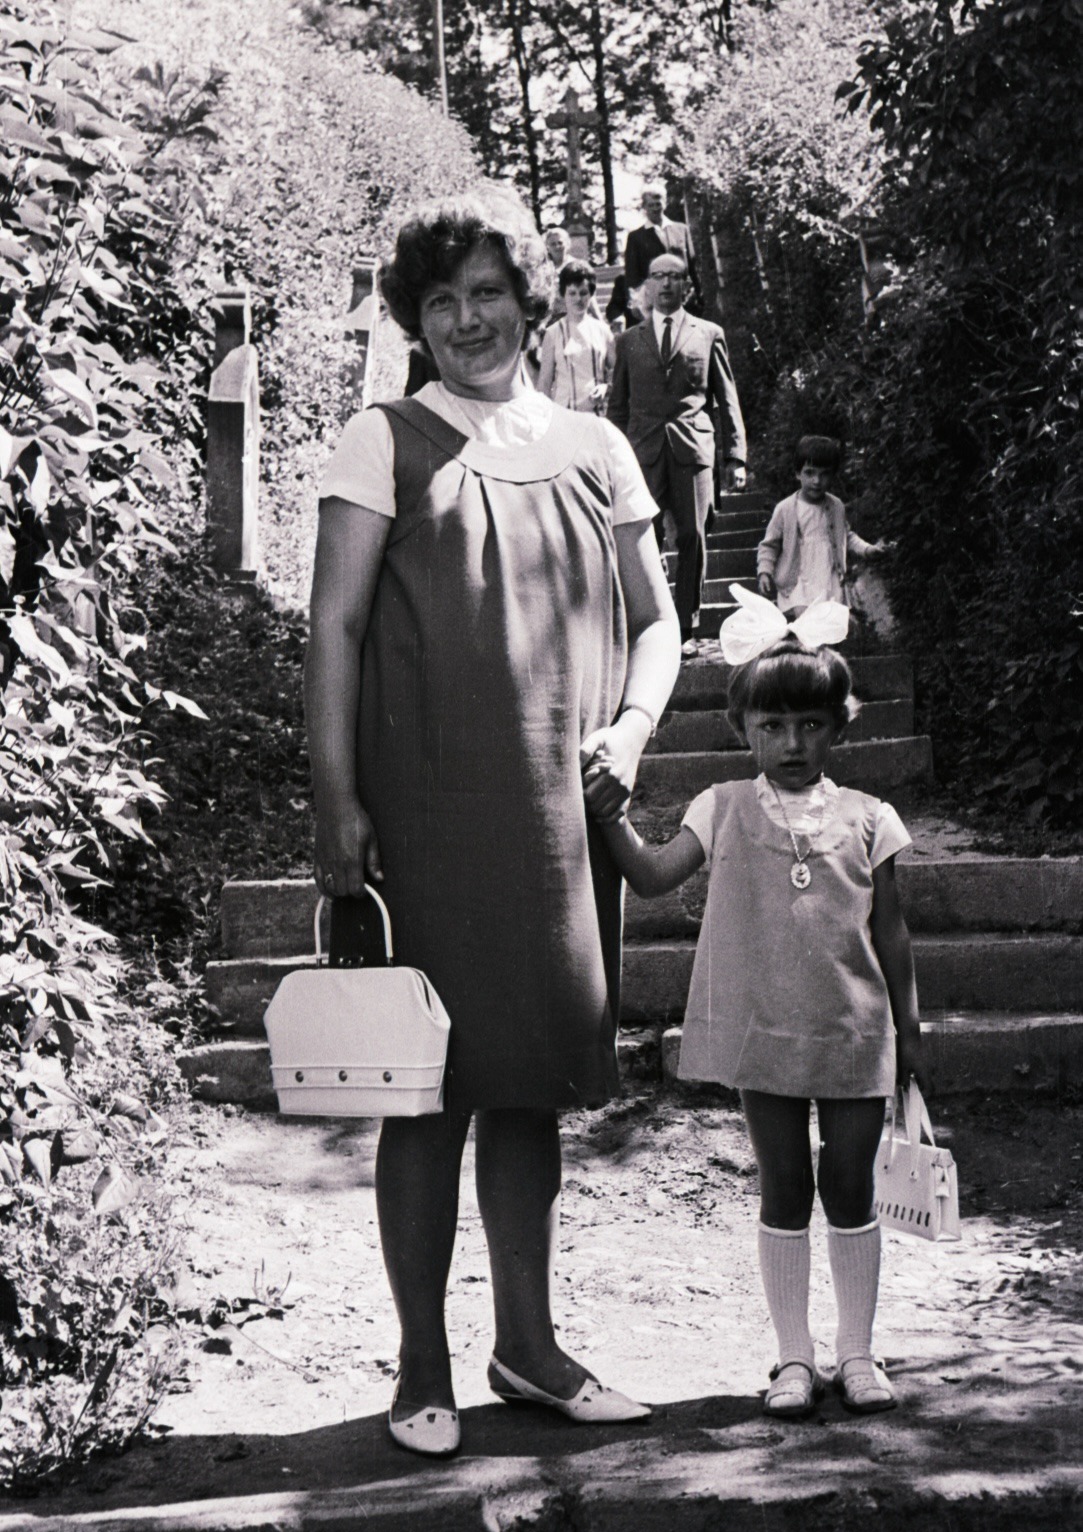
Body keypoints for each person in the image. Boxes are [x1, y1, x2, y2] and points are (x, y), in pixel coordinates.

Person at [306, 190, 681, 1458]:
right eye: (441, 302)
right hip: (422, 812)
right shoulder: (384, 439)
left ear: (533, 303)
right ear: (420, 320)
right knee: (427, 1094)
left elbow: (658, 621)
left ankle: (529, 1346)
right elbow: (337, 628)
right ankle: (422, 1365)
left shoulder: (598, 448)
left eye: (488, 295)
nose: (468, 320)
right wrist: (335, 795)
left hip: (561, 812)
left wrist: (630, 730)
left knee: (528, 1084)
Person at [585, 592, 926, 1419]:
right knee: (783, 1184)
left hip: (853, 1031)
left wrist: (910, 1041)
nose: (791, 743)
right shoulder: (721, 805)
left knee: (848, 1186)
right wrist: (611, 818)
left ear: (837, 727)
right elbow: (654, 875)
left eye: (809, 725)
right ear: (744, 729)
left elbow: (893, 936)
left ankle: (855, 1351)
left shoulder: (870, 819)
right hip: (762, 1029)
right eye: (772, 726)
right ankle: (792, 1359)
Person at [608, 251, 747, 652]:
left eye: (675, 277)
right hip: (641, 454)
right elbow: (618, 407)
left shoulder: (708, 333)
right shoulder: (629, 341)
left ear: (687, 285)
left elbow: (727, 397)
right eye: (658, 276)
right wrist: (610, 461)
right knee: (643, 538)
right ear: (647, 286)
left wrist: (735, 456)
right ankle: (650, 623)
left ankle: (685, 626)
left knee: (692, 535)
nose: (666, 284)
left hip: (693, 449)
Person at [758, 435, 890, 614]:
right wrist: (764, 572)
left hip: (828, 577)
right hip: (799, 580)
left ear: (833, 475)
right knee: (807, 624)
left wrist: (867, 549)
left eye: (824, 474)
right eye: (810, 473)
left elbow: (847, 536)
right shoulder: (786, 509)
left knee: (828, 627)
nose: (817, 481)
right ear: (798, 473)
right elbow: (769, 545)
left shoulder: (836, 506)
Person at [537, 259, 615, 414]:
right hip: (565, 416)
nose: (578, 299)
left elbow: (617, 372)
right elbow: (545, 383)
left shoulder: (602, 330)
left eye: (583, 293)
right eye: (572, 293)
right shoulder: (553, 333)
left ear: (591, 294)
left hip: (597, 416)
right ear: (563, 294)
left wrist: (606, 387)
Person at [624, 179, 702, 313]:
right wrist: (637, 301)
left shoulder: (681, 230)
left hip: (684, 298)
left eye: (658, 204)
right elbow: (632, 275)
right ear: (644, 207)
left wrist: (699, 294)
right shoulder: (636, 237)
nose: (655, 208)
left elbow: (693, 266)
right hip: (655, 301)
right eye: (650, 205)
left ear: (664, 203)